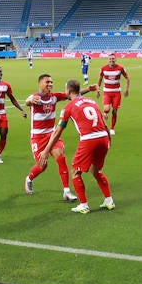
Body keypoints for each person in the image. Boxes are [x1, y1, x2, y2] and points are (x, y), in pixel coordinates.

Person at [38, 79, 114, 213]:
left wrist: (46, 150)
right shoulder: (92, 102)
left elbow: (57, 131)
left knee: (75, 172)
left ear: (68, 91)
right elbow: (103, 122)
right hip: (103, 138)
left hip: (89, 140)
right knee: (96, 170)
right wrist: (108, 139)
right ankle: (109, 200)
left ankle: (84, 205)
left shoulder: (68, 107)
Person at [24, 73, 96, 197]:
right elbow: (27, 101)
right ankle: (29, 179)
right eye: (47, 82)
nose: (50, 84)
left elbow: (72, 95)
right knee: (42, 165)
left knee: (61, 158)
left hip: (52, 134)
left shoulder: (54, 96)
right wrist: (30, 100)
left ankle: (66, 191)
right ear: (40, 83)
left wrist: (88, 89)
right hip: (38, 137)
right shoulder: (35, 97)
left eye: (51, 82)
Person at [97, 54, 131, 135]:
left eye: (113, 59)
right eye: (110, 59)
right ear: (108, 60)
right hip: (107, 92)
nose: (111, 60)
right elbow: (100, 79)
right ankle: (105, 113)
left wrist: (127, 89)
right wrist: (98, 90)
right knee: (107, 109)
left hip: (116, 92)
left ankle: (112, 128)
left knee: (115, 111)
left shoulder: (120, 68)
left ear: (116, 59)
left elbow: (127, 78)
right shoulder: (103, 69)